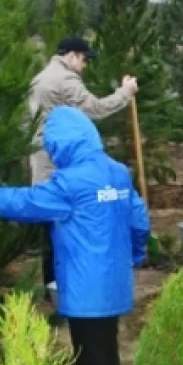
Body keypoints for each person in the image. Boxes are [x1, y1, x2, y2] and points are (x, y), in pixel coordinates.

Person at [0, 107, 150, 365]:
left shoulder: (70, 183)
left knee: (92, 358)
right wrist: (136, 254)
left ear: (63, 144)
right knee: (107, 349)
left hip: (86, 287)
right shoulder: (117, 171)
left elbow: (23, 202)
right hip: (114, 281)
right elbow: (139, 220)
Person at [28, 36, 138, 294]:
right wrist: (126, 93)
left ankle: (52, 283)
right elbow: (96, 109)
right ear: (72, 56)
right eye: (84, 59)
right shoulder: (65, 80)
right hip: (57, 161)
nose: (85, 65)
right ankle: (61, 286)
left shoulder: (41, 76)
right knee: (64, 222)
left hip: (40, 157)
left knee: (50, 220)